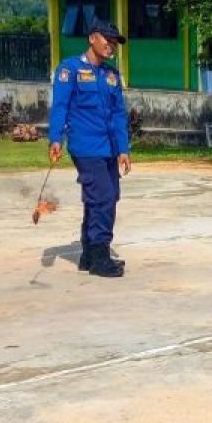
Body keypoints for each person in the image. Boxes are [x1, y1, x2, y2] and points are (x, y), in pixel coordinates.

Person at [47, 18, 132, 279]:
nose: (112, 46)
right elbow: (60, 106)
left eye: (115, 42)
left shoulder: (111, 75)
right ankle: (100, 257)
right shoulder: (69, 70)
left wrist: (123, 148)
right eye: (108, 39)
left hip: (108, 148)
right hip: (85, 146)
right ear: (92, 38)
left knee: (104, 198)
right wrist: (55, 139)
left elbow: (118, 114)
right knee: (103, 198)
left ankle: (88, 254)